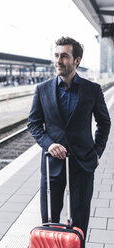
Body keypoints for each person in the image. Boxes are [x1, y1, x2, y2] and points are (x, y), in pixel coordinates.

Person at [28, 36, 111, 245]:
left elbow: (104, 122)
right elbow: (34, 124)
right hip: (52, 165)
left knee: (79, 221)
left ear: (77, 61)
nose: (58, 60)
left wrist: (97, 152)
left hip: (83, 164)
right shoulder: (42, 90)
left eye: (64, 56)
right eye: (56, 55)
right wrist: (49, 144)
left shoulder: (92, 90)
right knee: (48, 221)